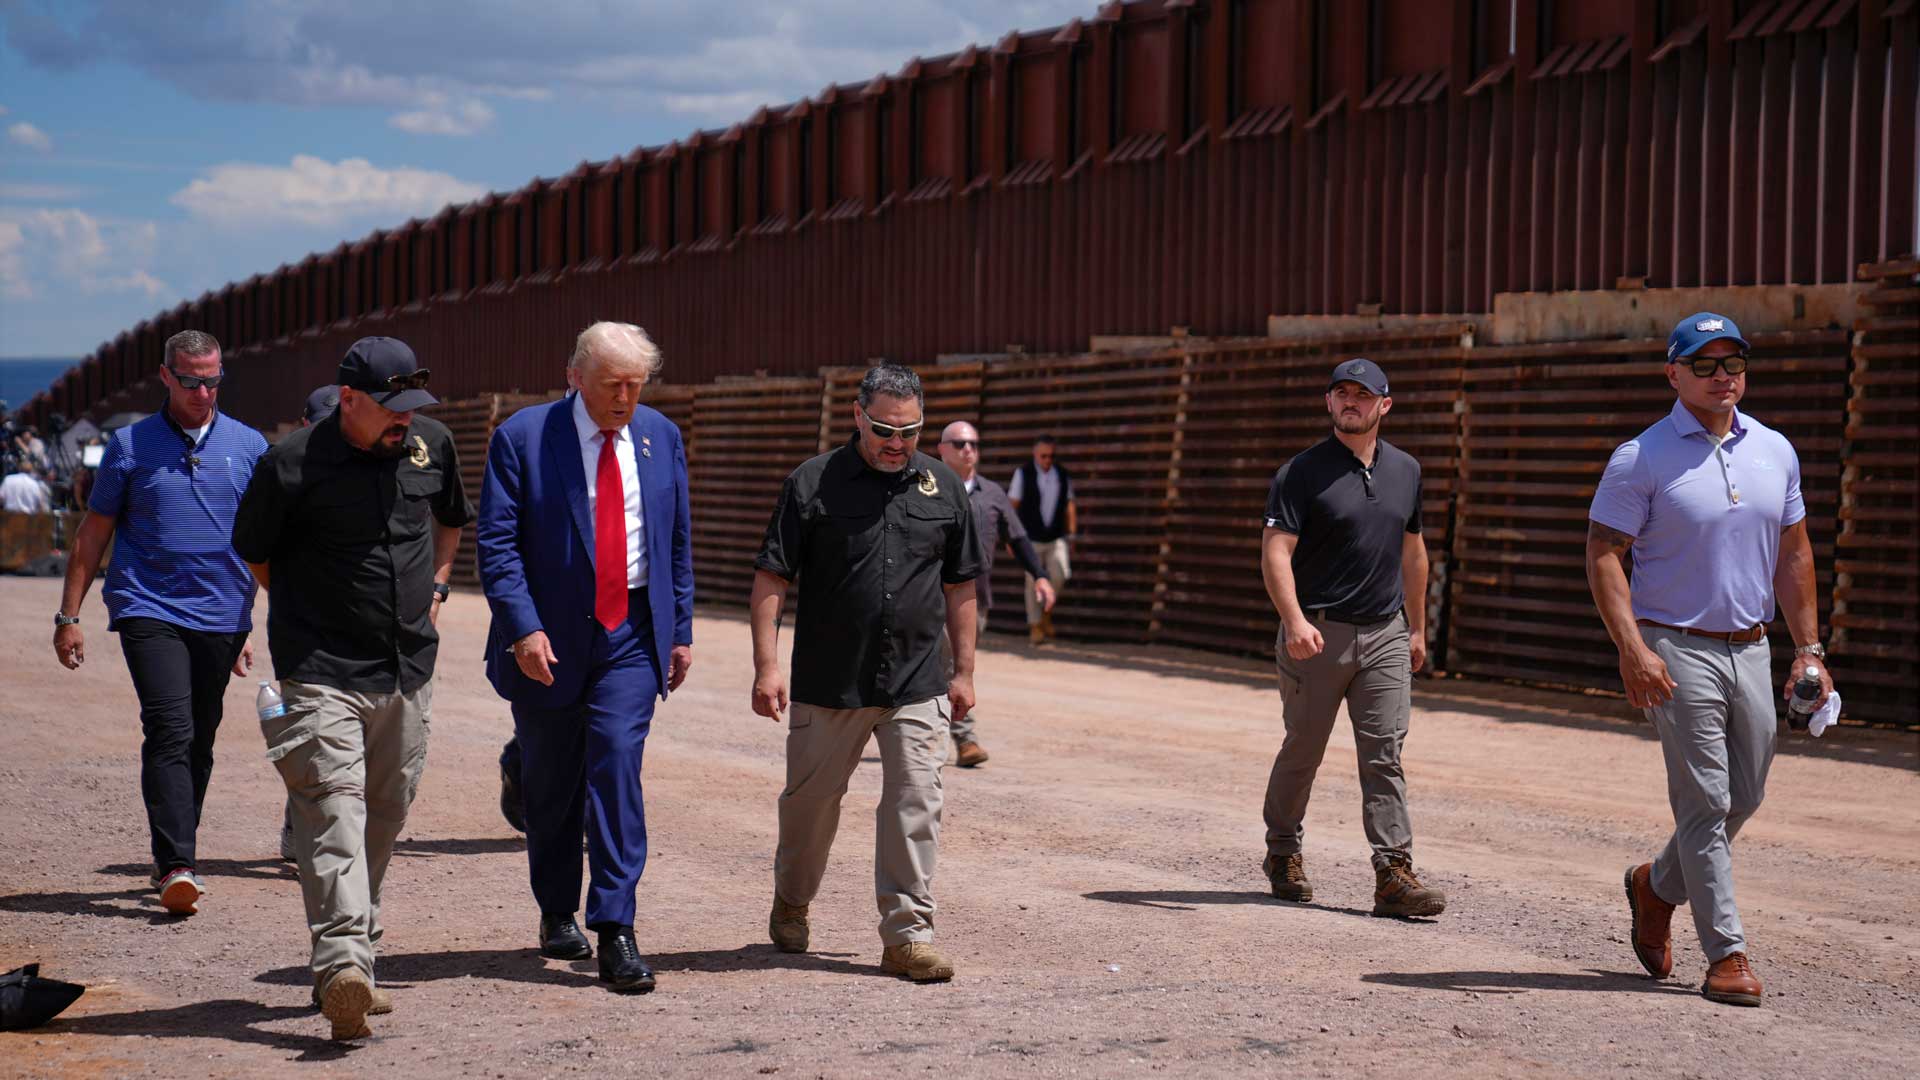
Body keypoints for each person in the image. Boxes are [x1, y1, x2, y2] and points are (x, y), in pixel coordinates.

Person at [1587, 313, 1831, 1009]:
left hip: (1751, 646)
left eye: (1734, 362)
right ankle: (1727, 954)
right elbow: (1604, 552)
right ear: (1673, 373)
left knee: (1745, 796)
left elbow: (1794, 554)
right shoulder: (1643, 456)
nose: (1723, 375)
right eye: (1704, 364)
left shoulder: (1775, 451)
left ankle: (1655, 886)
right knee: (1706, 801)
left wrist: (1808, 651)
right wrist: (1632, 647)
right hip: (1674, 645)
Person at [231, 336, 471, 1040]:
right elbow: (254, 550)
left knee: (387, 809)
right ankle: (342, 968)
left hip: (406, 667)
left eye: (413, 407)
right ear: (349, 400)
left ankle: (356, 950)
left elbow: (452, 521)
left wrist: (438, 586)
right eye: (392, 408)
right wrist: (308, 609)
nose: (406, 420)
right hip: (321, 670)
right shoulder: (292, 463)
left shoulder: (431, 445)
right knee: (331, 808)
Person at [476, 322, 693, 995]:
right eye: (611, 385)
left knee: (616, 761)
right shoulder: (524, 438)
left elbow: (676, 540)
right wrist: (523, 628)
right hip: (548, 637)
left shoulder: (661, 437)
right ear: (575, 376)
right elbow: (498, 545)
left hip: (629, 631)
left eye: (635, 385)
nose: (625, 398)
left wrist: (679, 628)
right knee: (551, 782)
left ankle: (617, 925)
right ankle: (554, 907)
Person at [750, 363, 983, 982]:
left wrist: (964, 674)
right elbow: (773, 576)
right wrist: (767, 666)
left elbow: (961, 585)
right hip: (831, 681)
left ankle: (908, 935)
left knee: (916, 801)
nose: (896, 443)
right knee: (811, 807)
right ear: (857, 416)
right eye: (884, 429)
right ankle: (793, 898)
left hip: (917, 680)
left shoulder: (942, 487)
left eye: (909, 431)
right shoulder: (813, 483)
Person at [50, 330, 266, 917]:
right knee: (170, 727)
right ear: (166, 377)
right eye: (192, 379)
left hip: (222, 613)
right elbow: (94, 534)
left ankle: (176, 852)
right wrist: (69, 614)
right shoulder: (129, 446)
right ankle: (177, 864)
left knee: (200, 736)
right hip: (150, 606)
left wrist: (253, 622)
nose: (203, 391)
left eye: (213, 379)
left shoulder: (249, 447)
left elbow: (260, 543)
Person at [1257, 357, 1445, 919]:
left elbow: (1414, 551)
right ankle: (1283, 852)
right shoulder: (1301, 472)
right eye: (1341, 393)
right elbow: (1275, 552)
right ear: (1329, 402)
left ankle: (1393, 873)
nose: (1350, 403)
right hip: (1318, 633)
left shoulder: (1406, 470)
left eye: (1362, 396)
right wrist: (1293, 621)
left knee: (1384, 754)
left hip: (1385, 631)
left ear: (1384, 405)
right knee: (1303, 750)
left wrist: (1416, 626)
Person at [935, 420, 1054, 766]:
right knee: (948, 666)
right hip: (929, 597)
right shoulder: (925, 488)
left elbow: (1017, 539)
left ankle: (937, 735)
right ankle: (962, 738)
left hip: (976, 601)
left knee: (957, 668)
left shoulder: (993, 494)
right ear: (942, 449)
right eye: (959, 443)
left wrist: (1041, 576)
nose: (968, 449)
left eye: (973, 443)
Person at [278, 383, 342, 865]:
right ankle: (303, 829)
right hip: (308, 632)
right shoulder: (286, 475)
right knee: (314, 734)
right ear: (305, 426)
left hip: (368, 632)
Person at [1007, 435, 1075, 644]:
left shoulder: (1062, 475)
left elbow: (1069, 505)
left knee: (1061, 573)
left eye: (1051, 456)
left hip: (1055, 536)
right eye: (1044, 456)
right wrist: (1010, 537)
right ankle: (1035, 625)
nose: (1048, 460)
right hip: (1030, 537)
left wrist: (1072, 535)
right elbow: (1012, 505)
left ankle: (1047, 611)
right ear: (1036, 455)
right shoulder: (1023, 473)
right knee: (1032, 580)